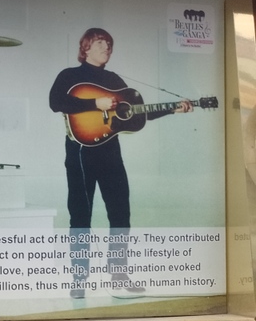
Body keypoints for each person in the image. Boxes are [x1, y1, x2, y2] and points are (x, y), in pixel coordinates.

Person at [49, 27, 192, 299]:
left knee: (121, 215)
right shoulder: (69, 76)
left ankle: (118, 277)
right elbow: (56, 102)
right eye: (101, 42)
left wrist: (173, 108)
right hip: (80, 152)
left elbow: (135, 116)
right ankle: (79, 280)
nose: (107, 48)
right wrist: (95, 102)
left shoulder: (114, 80)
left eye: (109, 44)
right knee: (80, 216)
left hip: (110, 153)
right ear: (86, 46)